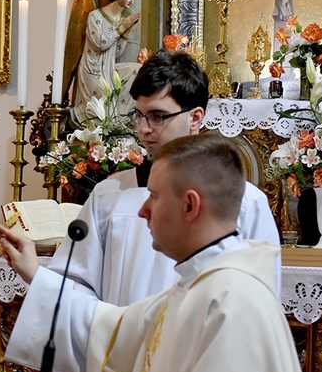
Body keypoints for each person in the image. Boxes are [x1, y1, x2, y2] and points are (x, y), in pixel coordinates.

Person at [0, 134, 322, 372]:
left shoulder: (231, 303)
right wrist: (36, 274)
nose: (142, 209)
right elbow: (109, 329)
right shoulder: (196, 287)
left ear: (190, 205)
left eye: (153, 196)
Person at [51, 50, 280, 307]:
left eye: (158, 116)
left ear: (195, 117)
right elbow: (73, 284)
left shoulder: (246, 202)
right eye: (139, 115)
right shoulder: (110, 195)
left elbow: (258, 302)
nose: (143, 128)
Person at [71, 0, 141, 126]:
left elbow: (116, 53)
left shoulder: (120, 20)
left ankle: (121, 121)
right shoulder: (95, 16)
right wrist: (122, 27)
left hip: (109, 68)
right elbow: (100, 44)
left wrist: (127, 32)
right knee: (104, 103)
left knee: (137, 70)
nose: (131, 2)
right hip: (93, 69)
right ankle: (109, 125)